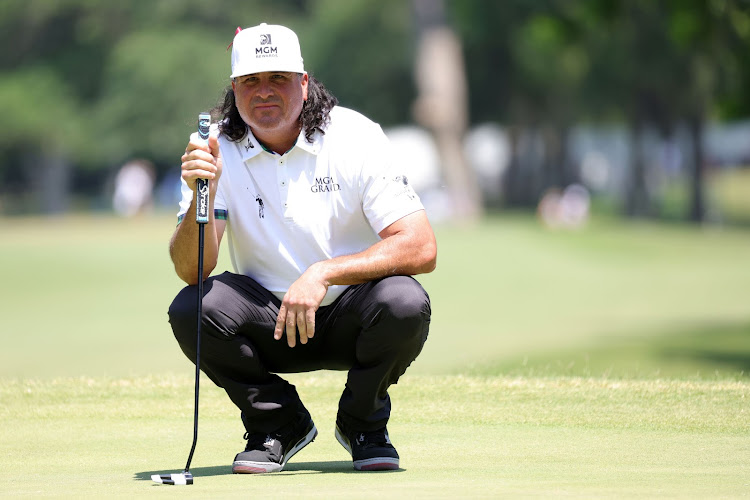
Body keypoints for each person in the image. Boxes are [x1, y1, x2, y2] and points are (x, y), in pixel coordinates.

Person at [168, 23, 437, 474]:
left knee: (405, 301)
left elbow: (421, 246)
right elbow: (193, 269)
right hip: (265, 324)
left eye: (278, 78)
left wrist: (323, 273)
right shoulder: (215, 148)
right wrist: (203, 192)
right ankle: (278, 423)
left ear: (304, 83)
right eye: (251, 81)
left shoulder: (354, 136)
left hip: (350, 316)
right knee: (192, 308)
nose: (264, 92)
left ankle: (363, 422)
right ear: (234, 89)